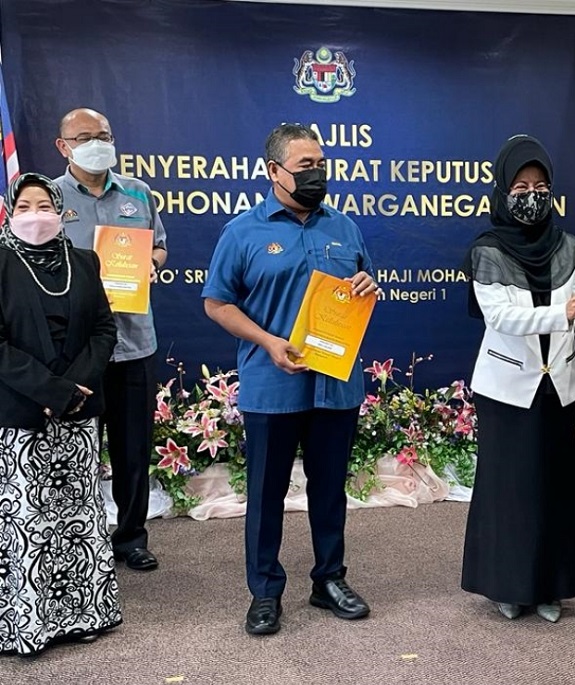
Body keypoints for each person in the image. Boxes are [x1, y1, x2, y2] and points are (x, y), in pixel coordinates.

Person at [202, 123, 378, 636]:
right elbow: (217, 303)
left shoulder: (344, 227)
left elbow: (361, 288)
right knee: (266, 493)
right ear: (273, 171)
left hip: (335, 383)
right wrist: (268, 341)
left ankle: (329, 581)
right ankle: (264, 591)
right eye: (305, 166)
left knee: (329, 490)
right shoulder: (243, 232)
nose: (316, 174)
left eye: (321, 164)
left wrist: (368, 286)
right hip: (272, 383)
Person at [460, 135, 575, 624]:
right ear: (502, 189)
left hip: (558, 385)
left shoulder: (570, 246)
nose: (532, 194)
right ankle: (506, 585)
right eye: (520, 185)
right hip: (506, 388)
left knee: (554, 488)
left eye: (541, 186)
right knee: (509, 490)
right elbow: (500, 318)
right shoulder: (487, 251)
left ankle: (551, 586)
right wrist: (561, 311)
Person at [0, 173, 121, 655]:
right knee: (29, 519)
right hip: (21, 413)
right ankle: (30, 625)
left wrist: (73, 389)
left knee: (76, 519)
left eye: (44, 204)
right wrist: (50, 390)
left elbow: (104, 328)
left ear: (60, 209)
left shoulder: (85, 261)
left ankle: (83, 614)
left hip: (78, 412)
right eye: (25, 205)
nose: (36, 214)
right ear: (11, 211)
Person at [54, 108, 168, 572]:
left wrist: (152, 263)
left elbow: (159, 244)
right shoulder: (48, 197)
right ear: (63, 145)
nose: (97, 142)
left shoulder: (138, 192)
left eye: (103, 135)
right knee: (75, 447)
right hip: (75, 349)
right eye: (85, 136)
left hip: (134, 341)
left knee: (132, 448)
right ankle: (74, 539)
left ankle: (130, 538)